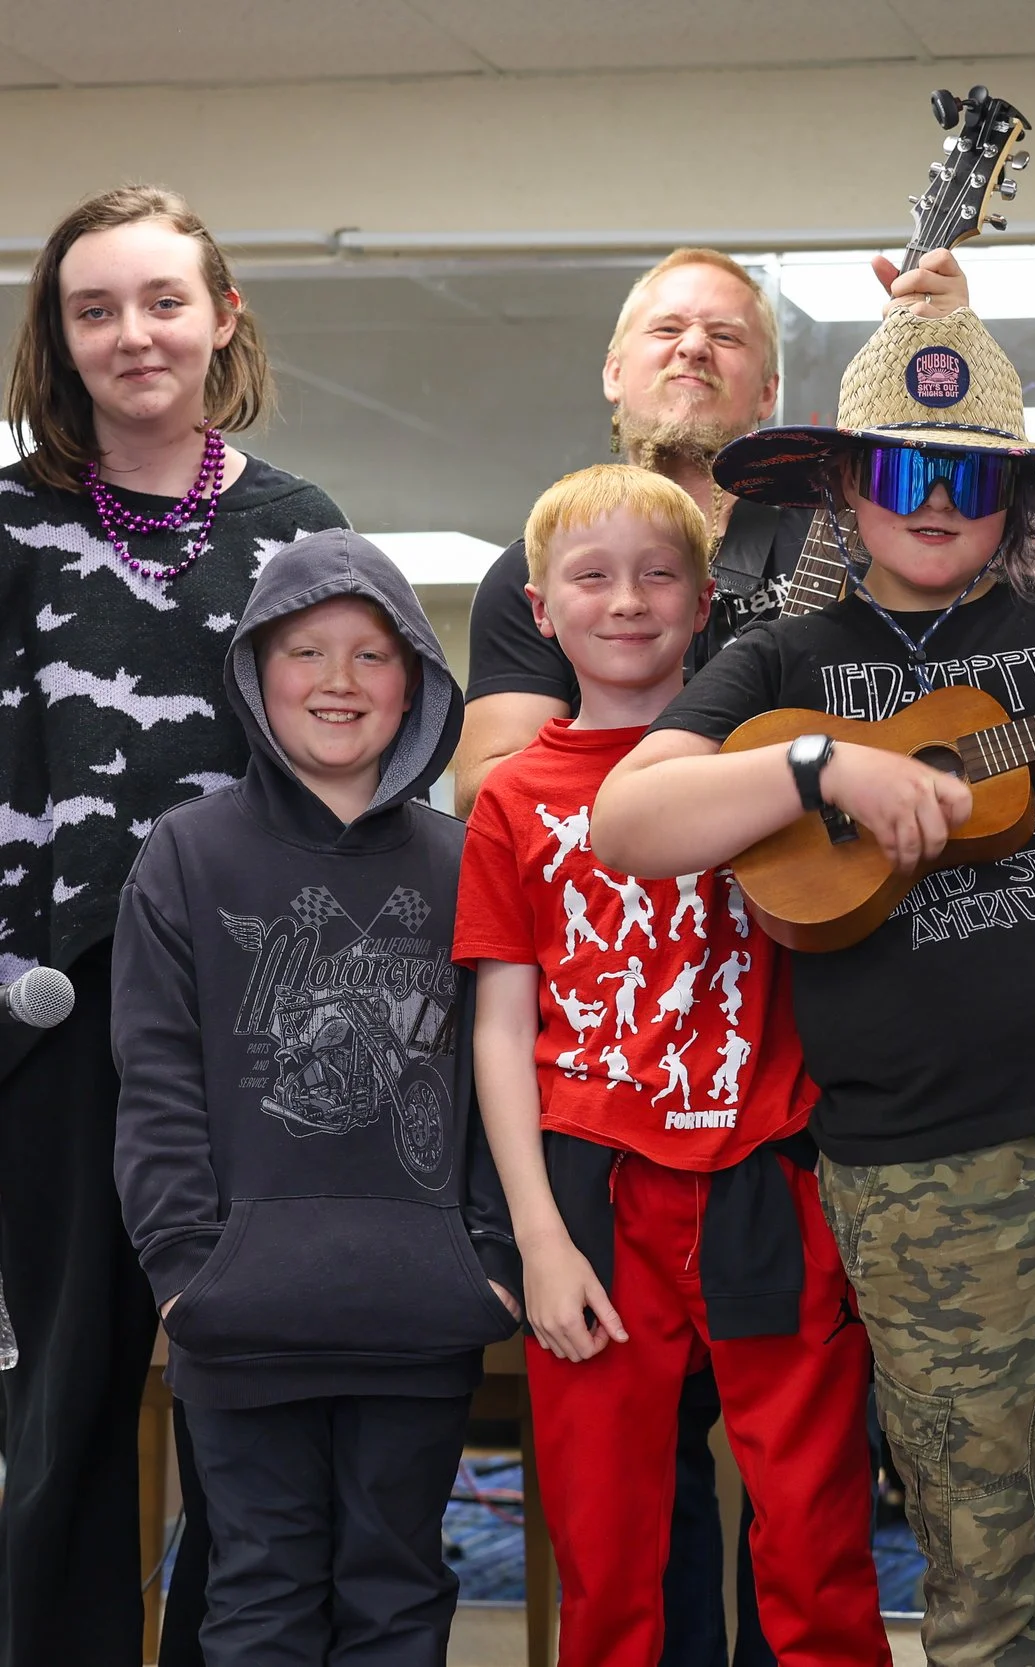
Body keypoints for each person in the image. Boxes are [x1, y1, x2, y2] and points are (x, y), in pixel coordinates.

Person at [589, 303, 1035, 1667]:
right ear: (844, 482)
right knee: (980, 1565)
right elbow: (627, 821)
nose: (940, 501)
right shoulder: (783, 660)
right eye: (905, 469)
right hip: (924, 1162)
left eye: (972, 473)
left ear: (1013, 492)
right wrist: (820, 766)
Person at [0, 184, 351, 1667]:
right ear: (58, 340)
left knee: (250, 1396)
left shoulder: (298, 528)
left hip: (255, 1019)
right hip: (56, 1013)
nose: (132, 333)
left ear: (221, 319)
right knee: (70, 1394)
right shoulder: (9, 524)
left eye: (161, 300)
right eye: (94, 308)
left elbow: (351, 765)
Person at [456, 465, 886, 1667]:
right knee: (611, 1554)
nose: (628, 601)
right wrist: (534, 1235)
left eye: (659, 576)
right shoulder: (511, 800)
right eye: (592, 578)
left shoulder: (763, 771)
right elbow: (500, 1023)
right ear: (540, 610)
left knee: (812, 1536)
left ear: (706, 603)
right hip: (591, 1195)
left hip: (764, 1176)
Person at [111, 528, 521, 1665]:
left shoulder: (465, 858)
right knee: (259, 1595)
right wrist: (189, 1266)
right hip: (240, 1321)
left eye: (373, 655)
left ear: (419, 687)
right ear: (255, 672)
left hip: (421, 1313)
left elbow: (502, 1077)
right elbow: (154, 1080)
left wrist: (486, 1253)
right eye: (305, 651)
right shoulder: (187, 856)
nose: (339, 683)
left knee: (398, 1593)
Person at [451, 247, 972, 812]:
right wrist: (699, 794)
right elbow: (488, 795)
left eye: (725, 337)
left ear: (769, 392)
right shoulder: (540, 569)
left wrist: (960, 388)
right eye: (667, 328)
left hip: (833, 879)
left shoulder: (854, 534)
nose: (694, 346)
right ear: (614, 372)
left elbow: (1026, 614)